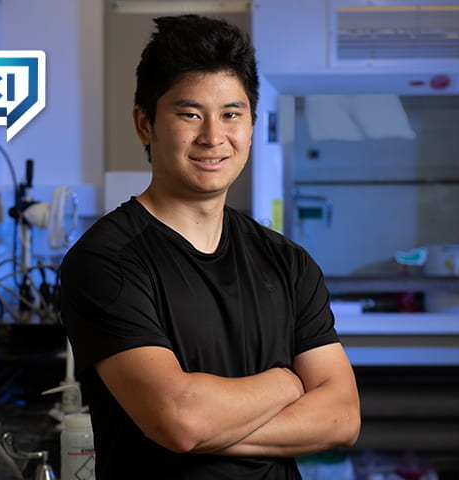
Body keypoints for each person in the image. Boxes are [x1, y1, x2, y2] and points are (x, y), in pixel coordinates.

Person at [60, 14, 360, 480]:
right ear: (145, 123)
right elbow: (180, 420)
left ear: (252, 124)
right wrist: (287, 382)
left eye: (231, 114)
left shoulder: (287, 262)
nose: (213, 136)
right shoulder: (107, 261)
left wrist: (207, 426)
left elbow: (342, 418)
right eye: (190, 113)